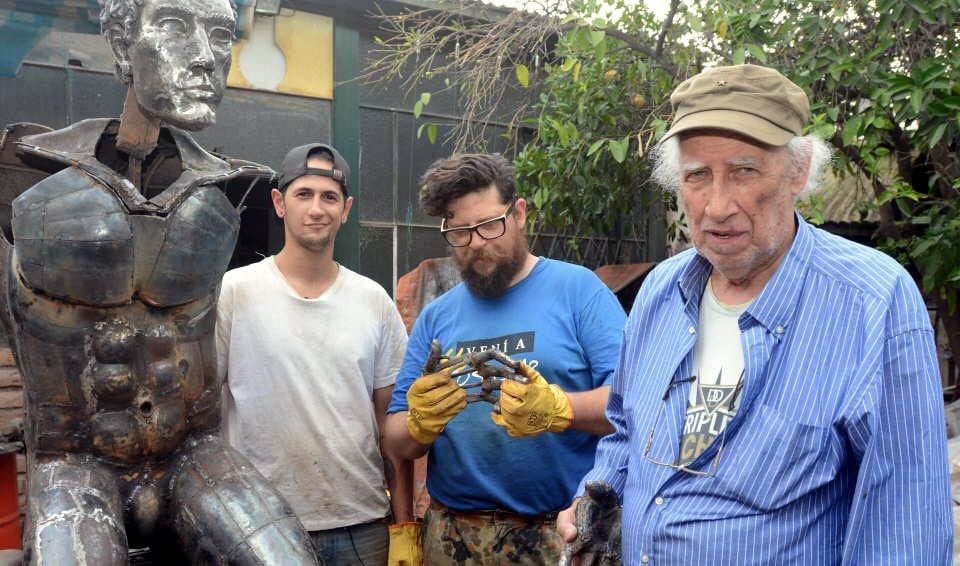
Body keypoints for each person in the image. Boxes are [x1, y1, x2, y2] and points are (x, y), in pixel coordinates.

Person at [558, 64, 953, 564]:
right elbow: (626, 428)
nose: (717, 206)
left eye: (743, 171)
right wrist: (596, 497)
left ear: (799, 171)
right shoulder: (661, 290)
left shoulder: (874, 301)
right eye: (697, 176)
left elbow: (904, 526)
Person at [2, 0, 319, 562]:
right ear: (123, 45)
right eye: (174, 26)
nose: (204, 57)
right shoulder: (24, 169)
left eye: (221, 34)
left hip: (193, 454)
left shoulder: (231, 186)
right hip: (75, 461)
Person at [382, 153, 627, 564]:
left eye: (489, 225)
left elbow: (633, 403)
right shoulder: (437, 317)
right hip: (453, 538)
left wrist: (559, 408)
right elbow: (394, 438)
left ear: (519, 213)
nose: (477, 242)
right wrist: (418, 423)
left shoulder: (578, 291)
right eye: (461, 231)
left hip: (557, 534)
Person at [216, 143, 414, 564]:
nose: (317, 209)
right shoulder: (234, 292)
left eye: (329, 197)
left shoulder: (373, 300)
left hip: (361, 526)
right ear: (279, 203)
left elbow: (390, 423)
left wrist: (404, 526)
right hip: (259, 524)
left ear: (346, 209)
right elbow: (202, 416)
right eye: (303, 194)